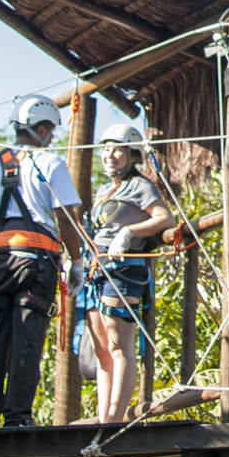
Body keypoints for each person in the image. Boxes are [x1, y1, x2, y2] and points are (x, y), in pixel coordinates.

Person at [0, 94, 84, 429]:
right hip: (35, 261)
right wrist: (75, 260)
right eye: (50, 130)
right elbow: (66, 217)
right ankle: (18, 416)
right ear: (43, 127)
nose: (51, 137)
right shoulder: (50, 164)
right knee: (27, 334)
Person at [78, 121, 174, 423]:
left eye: (117, 150)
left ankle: (115, 419)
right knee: (102, 349)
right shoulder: (105, 190)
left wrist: (129, 232)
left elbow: (164, 217)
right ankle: (104, 417)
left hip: (122, 270)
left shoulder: (140, 186)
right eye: (106, 150)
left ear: (132, 155)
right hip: (97, 269)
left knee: (120, 345)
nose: (110, 156)